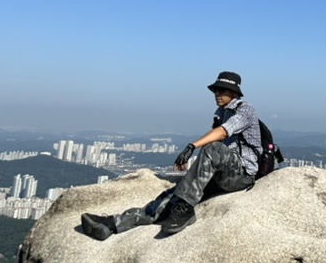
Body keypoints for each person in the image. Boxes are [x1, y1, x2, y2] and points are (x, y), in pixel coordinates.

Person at [81, 71, 262, 239]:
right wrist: (194, 167)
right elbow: (216, 138)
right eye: (215, 90)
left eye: (222, 90)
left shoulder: (245, 110)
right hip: (223, 174)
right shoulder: (220, 114)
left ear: (234, 93)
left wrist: (191, 146)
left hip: (242, 175)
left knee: (212, 149)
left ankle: (186, 210)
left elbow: (222, 134)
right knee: (173, 196)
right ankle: (112, 224)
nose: (217, 93)